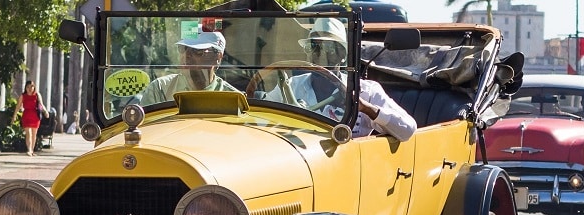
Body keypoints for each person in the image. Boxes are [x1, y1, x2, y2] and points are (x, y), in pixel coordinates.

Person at [266, 18, 416, 141]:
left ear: (342, 55)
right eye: (313, 46)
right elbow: (260, 115)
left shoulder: (365, 91)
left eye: (328, 48)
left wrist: (365, 108)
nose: (318, 54)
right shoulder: (291, 86)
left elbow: (408, 129)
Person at [137, 29, 239, 105]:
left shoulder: (233, 97)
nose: (187, 55)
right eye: (183, 48)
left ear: (218, 56)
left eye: (197, 50)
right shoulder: (160, 89)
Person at [11, 80, 48, 156]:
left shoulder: (37, 95)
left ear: (34, 87)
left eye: (31, 86)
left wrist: (45, 111)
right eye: (28, 87)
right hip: (26, 115)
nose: (30, 89)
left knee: (34, 134)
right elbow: (18, 106)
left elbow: (41, 105)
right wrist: (14, 116)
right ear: (25, 88)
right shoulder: (23, 96)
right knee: (28, 133)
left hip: (35, 116)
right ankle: (29, 149)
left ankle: (32, 150)